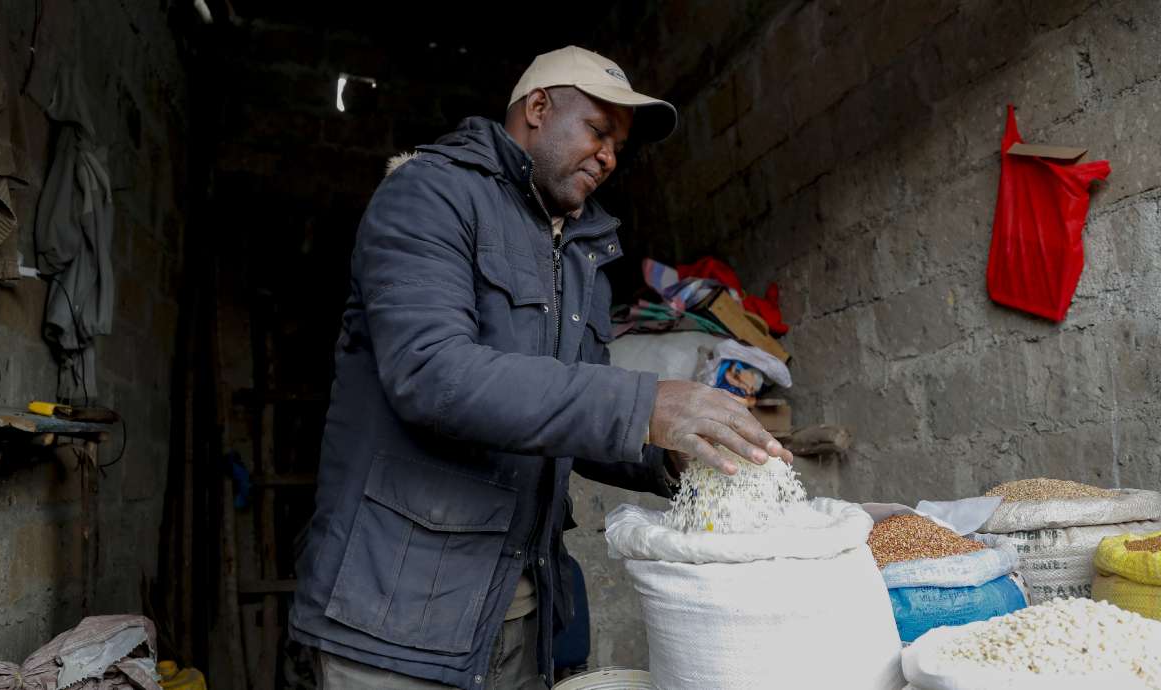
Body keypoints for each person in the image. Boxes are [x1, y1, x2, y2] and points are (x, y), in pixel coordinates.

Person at [289, 45, 791, 690]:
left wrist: (674, 452)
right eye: (597, 130)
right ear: (537, 107)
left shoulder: (577, 250)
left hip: (519, 609)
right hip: (399, 615)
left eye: (618, 144)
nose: (609, 155)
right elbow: (434, 375)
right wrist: (647, 404)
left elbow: (570, 417)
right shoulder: (429, 194)